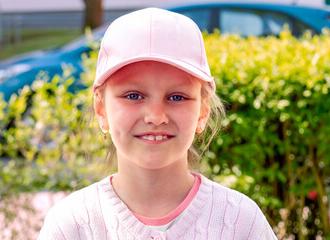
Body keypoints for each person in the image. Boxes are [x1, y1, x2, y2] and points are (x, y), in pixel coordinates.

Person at [38, 8, 277, 240]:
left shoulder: (240, 222)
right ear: (101, 109)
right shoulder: (71, 226)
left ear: (203, 111)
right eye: (133, 96)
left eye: (177, 97)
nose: (155, 116)